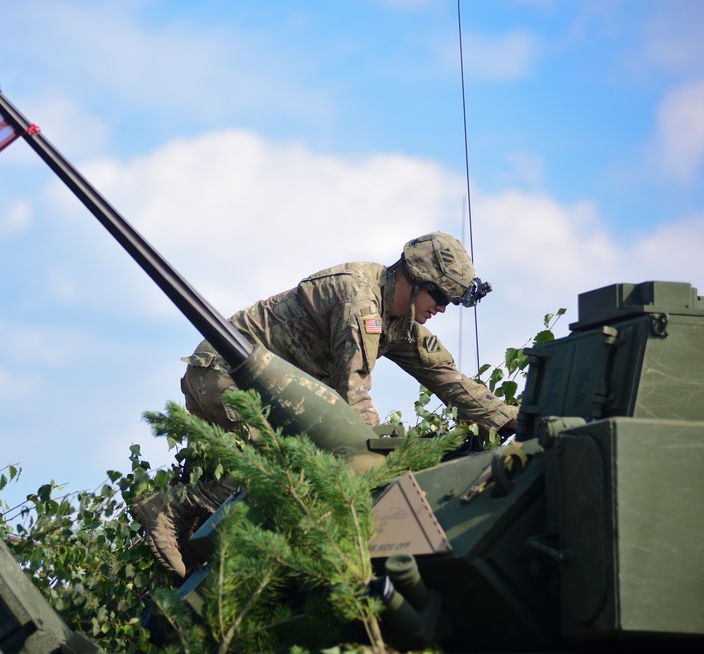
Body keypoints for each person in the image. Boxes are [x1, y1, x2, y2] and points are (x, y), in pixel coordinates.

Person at [133, 231, 518, 576]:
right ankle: (171, 509)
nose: (443, 309)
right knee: (295, 461)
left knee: (303, 467)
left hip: (261, 393)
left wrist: (512, 420)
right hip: (223, 375)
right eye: (440, 296)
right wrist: (387, 463)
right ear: (415, 279)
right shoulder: (361, 302)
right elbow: (354, 400)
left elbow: (449, 378)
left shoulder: (399, 319)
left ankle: (192, 533)